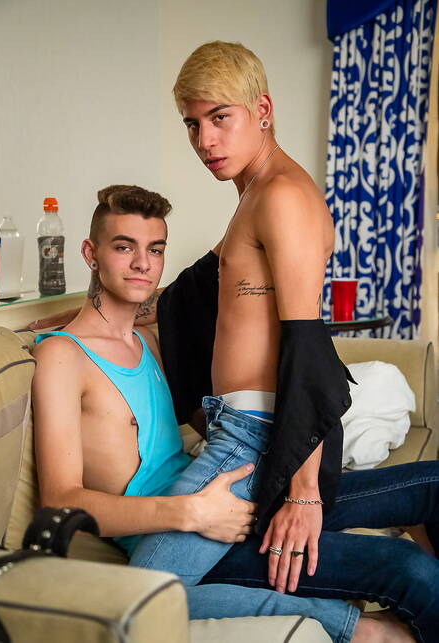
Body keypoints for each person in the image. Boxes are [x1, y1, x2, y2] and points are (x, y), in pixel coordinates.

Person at [30, 42, 439, 641]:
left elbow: (305, 344)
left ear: (262, 110)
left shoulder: (281, 197)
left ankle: (369, 627)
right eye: (193, 124)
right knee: (426, 493)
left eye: (220, 118)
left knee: (135, 598)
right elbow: (187, 295)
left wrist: (304, 494)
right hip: (248, 431)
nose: (205, 140)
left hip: (257, 435)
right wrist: (74, 316)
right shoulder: (253, 196)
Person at [33, 184, 377, 643]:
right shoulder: (62, 356)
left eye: (156, 249)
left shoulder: (148, 341)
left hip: (221, 502)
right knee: (383, 573)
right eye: (124, 247)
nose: (143, 263)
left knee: (396, 543)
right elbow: (59, 503)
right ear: (90, 254)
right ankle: (363, 631)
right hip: (174, 534)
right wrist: (191, 512)